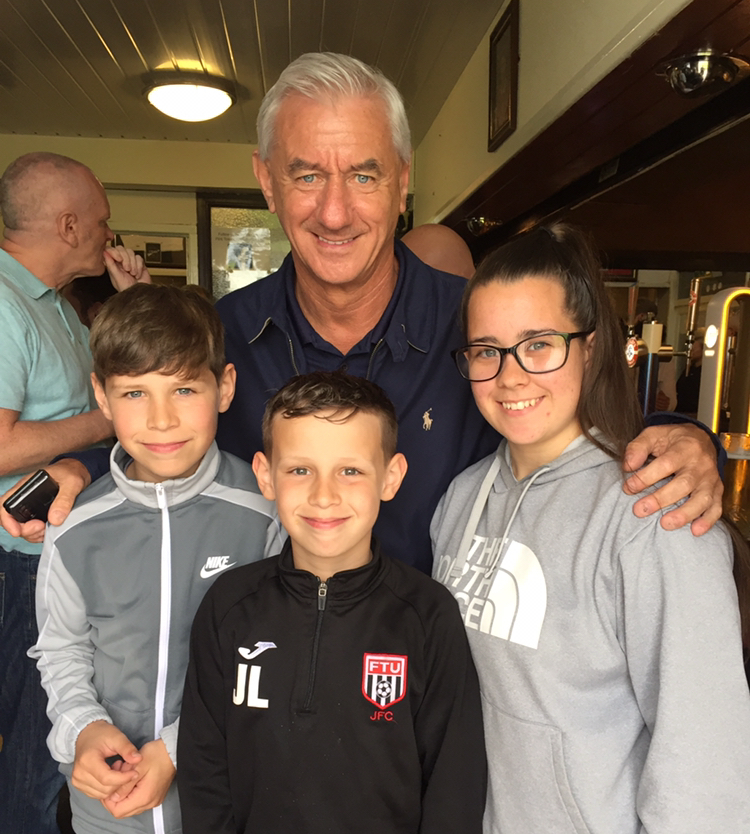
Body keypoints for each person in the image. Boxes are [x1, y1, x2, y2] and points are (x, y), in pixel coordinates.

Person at [2, 53, 725, 575]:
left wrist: (684, 439)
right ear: (266, 182)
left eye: (365, 174)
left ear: (403, 182)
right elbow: (155, 429)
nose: (336, 210)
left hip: (441, 717)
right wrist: (85, 463)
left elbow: (595, 420)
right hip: (264, 709)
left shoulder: (476, 330)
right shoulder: (214, 338)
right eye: (307, 174)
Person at [430, 223, 750, 834]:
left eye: (539, 343)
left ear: (590, 347)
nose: (511, 375)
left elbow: (706, 751)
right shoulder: (460, 499)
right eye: (486, 350)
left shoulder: (655, 516)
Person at [177, 370, 487, 834]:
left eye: (350, 471)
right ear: (265, 474)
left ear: (391, 478)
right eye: (299, 470)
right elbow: (204, 790)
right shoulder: (230, 608)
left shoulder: (426, 617)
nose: (323, 495)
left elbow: (455, 794)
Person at [29, 284, 278, 834]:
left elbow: (278, 655)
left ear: (225, 387)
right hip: (111, 818)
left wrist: (177, 747)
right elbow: (61, 647)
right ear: (101, 398)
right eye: (135, 393)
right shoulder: (74, 524)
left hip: (228, 818)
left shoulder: (261, 513)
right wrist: (81, 728)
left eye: (184, 388)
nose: (162, 418)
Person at [0, 151, 150, 834]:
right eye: (98, 218)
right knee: (34, 746)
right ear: (66, 226)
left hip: (51, 555)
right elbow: (3, 445)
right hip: (15, 562)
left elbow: (114, 370)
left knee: (44, 738)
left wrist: (129, 304)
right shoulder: (3, 305)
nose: (106, 230)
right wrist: (110, 421)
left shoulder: (54, 304)